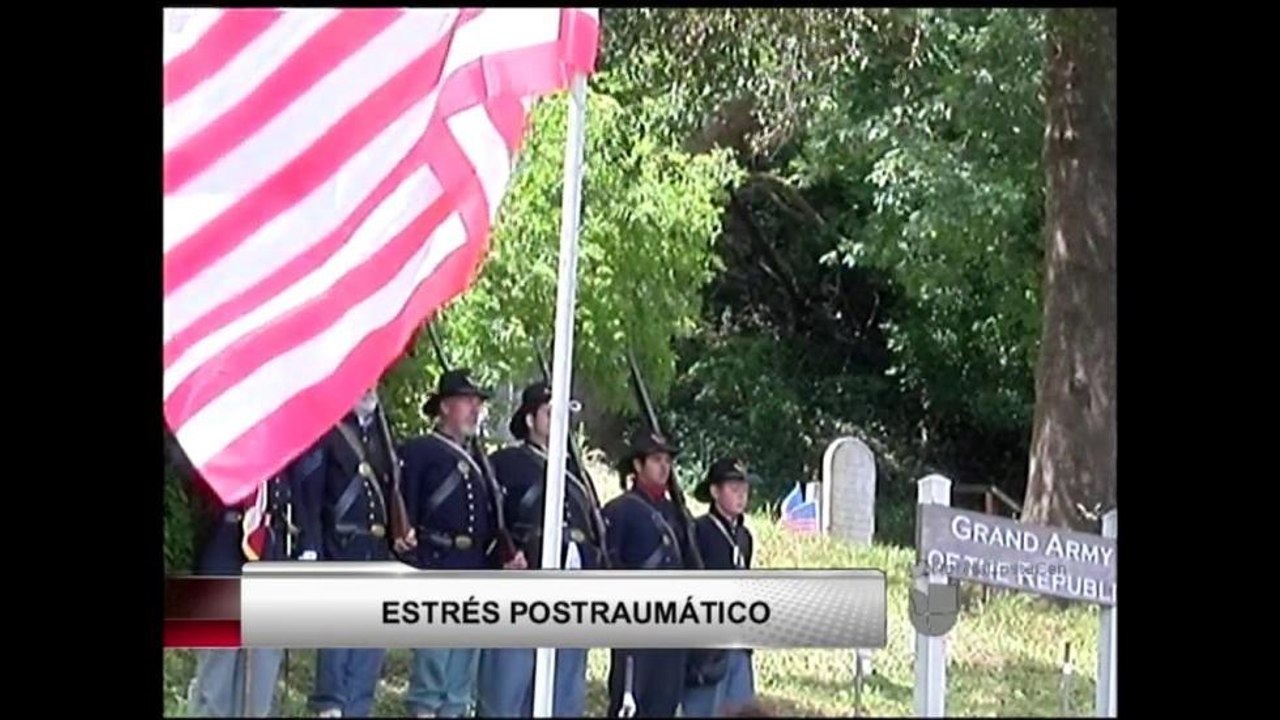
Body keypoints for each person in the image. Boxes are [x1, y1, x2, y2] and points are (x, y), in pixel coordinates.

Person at [399, 369, 528, 718]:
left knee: (458, 685)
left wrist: (505, 556)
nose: (475, 409)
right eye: (467, 401)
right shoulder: (420, 451)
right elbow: (405, 514)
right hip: (436, 565)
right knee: (432, 675)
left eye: (478, 403)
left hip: (473, 567)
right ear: (444, 407)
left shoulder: (481, 460)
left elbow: (492, 520)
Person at [476, 381, 606, 717]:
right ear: (531, 419)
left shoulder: (575, 471)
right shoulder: (506, 462)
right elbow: (491, 520)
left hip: (574, 585)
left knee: (564, 689)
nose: (559, 420)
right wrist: (504, 555)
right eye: (551, 413)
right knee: (508, 690)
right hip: (524, 583)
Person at [182, 441, 322, 717]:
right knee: (217, 671)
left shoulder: (285, 440)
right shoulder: (217, 433)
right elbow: (193, 480)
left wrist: (307, 545)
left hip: (273, 550)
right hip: (223, 546)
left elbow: (303, 495)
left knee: (263, 669)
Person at [301, 388, 417, 718]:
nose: (369, 388)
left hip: (376, 552)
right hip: (341, 549)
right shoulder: (328, 429)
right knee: (337, 655)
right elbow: (312, 494)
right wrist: (311, 547)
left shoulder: (381, 433)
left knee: (368, 652)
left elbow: (390, 491)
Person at [602, 429, 696, 718]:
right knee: (630, 705)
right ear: (638, 465)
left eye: (667, 460)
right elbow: (608, 566)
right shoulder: (619, 510)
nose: (664, 467)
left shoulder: (677, 514)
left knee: (664, 703)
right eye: (656, 459)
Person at [681, 458, 758, 718]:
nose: (741, 495)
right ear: (715, 492)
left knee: (741, 708)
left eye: (744, 489)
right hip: (708, 645)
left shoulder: (744, 537)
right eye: (733, 488)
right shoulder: (699, 531)